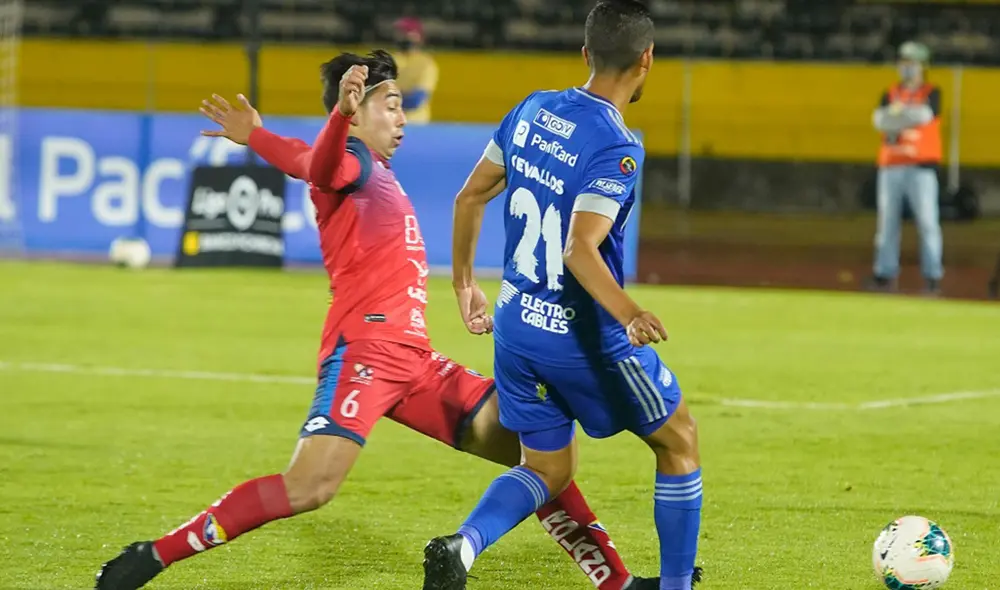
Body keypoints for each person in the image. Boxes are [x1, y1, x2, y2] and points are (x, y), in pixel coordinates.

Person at [94, 50, 658, 590]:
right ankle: (153, 555)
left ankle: (617, 581)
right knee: (309, 486)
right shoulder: (350, 162)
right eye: (390, 105)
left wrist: (259, 136)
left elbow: (308, 163)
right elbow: (315, 165)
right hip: (365, 354)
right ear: (355, 111)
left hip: (416, 362)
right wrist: (327, 120)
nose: (402, 118)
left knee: (539, 452)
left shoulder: (375, 172)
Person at [422, 2, 703, 589]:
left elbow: (469, 196)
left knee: (547, 468)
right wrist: (630, 311)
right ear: (647, 60)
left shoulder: (532, 109)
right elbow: (580, 247)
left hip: (516, 327)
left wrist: (464, 283)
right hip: (583, 339)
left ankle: (462, 546)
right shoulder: (617, 146)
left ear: (585, 53)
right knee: (679, 439)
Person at [868, 41, 944, 295]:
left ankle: (932, 275)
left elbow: (925, 115)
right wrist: (903, 116)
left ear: (923, 66)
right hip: (891, 166)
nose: (907, 67)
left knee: (928, 223)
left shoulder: (932, 92)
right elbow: (879, 121)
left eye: (912, 63)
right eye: (903, 62)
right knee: (887, 224)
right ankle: (884, 272)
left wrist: (897, 116)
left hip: (921, 167)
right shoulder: (889, 92)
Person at [393, 17, 438, 124]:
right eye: (400, 32)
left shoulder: (426, 64)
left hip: (415, 123)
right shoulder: (390, 59)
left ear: (419, 36)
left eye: (407, 32)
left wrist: (385, 99)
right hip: (388, 124)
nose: (403, 35)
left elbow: (415, 100)